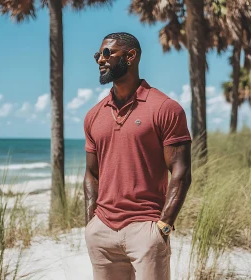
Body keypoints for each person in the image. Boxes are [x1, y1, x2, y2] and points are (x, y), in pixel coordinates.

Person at [83, 32, 192, 280]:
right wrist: (90, 223)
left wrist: (163, 226)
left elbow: (181, 171)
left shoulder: (165, 108)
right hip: (102, 231)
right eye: (98, 55)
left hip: (146, 229)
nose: (101, 59)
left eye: (107, 53)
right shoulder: (94, 115)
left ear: (131, 56)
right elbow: (91, 173)